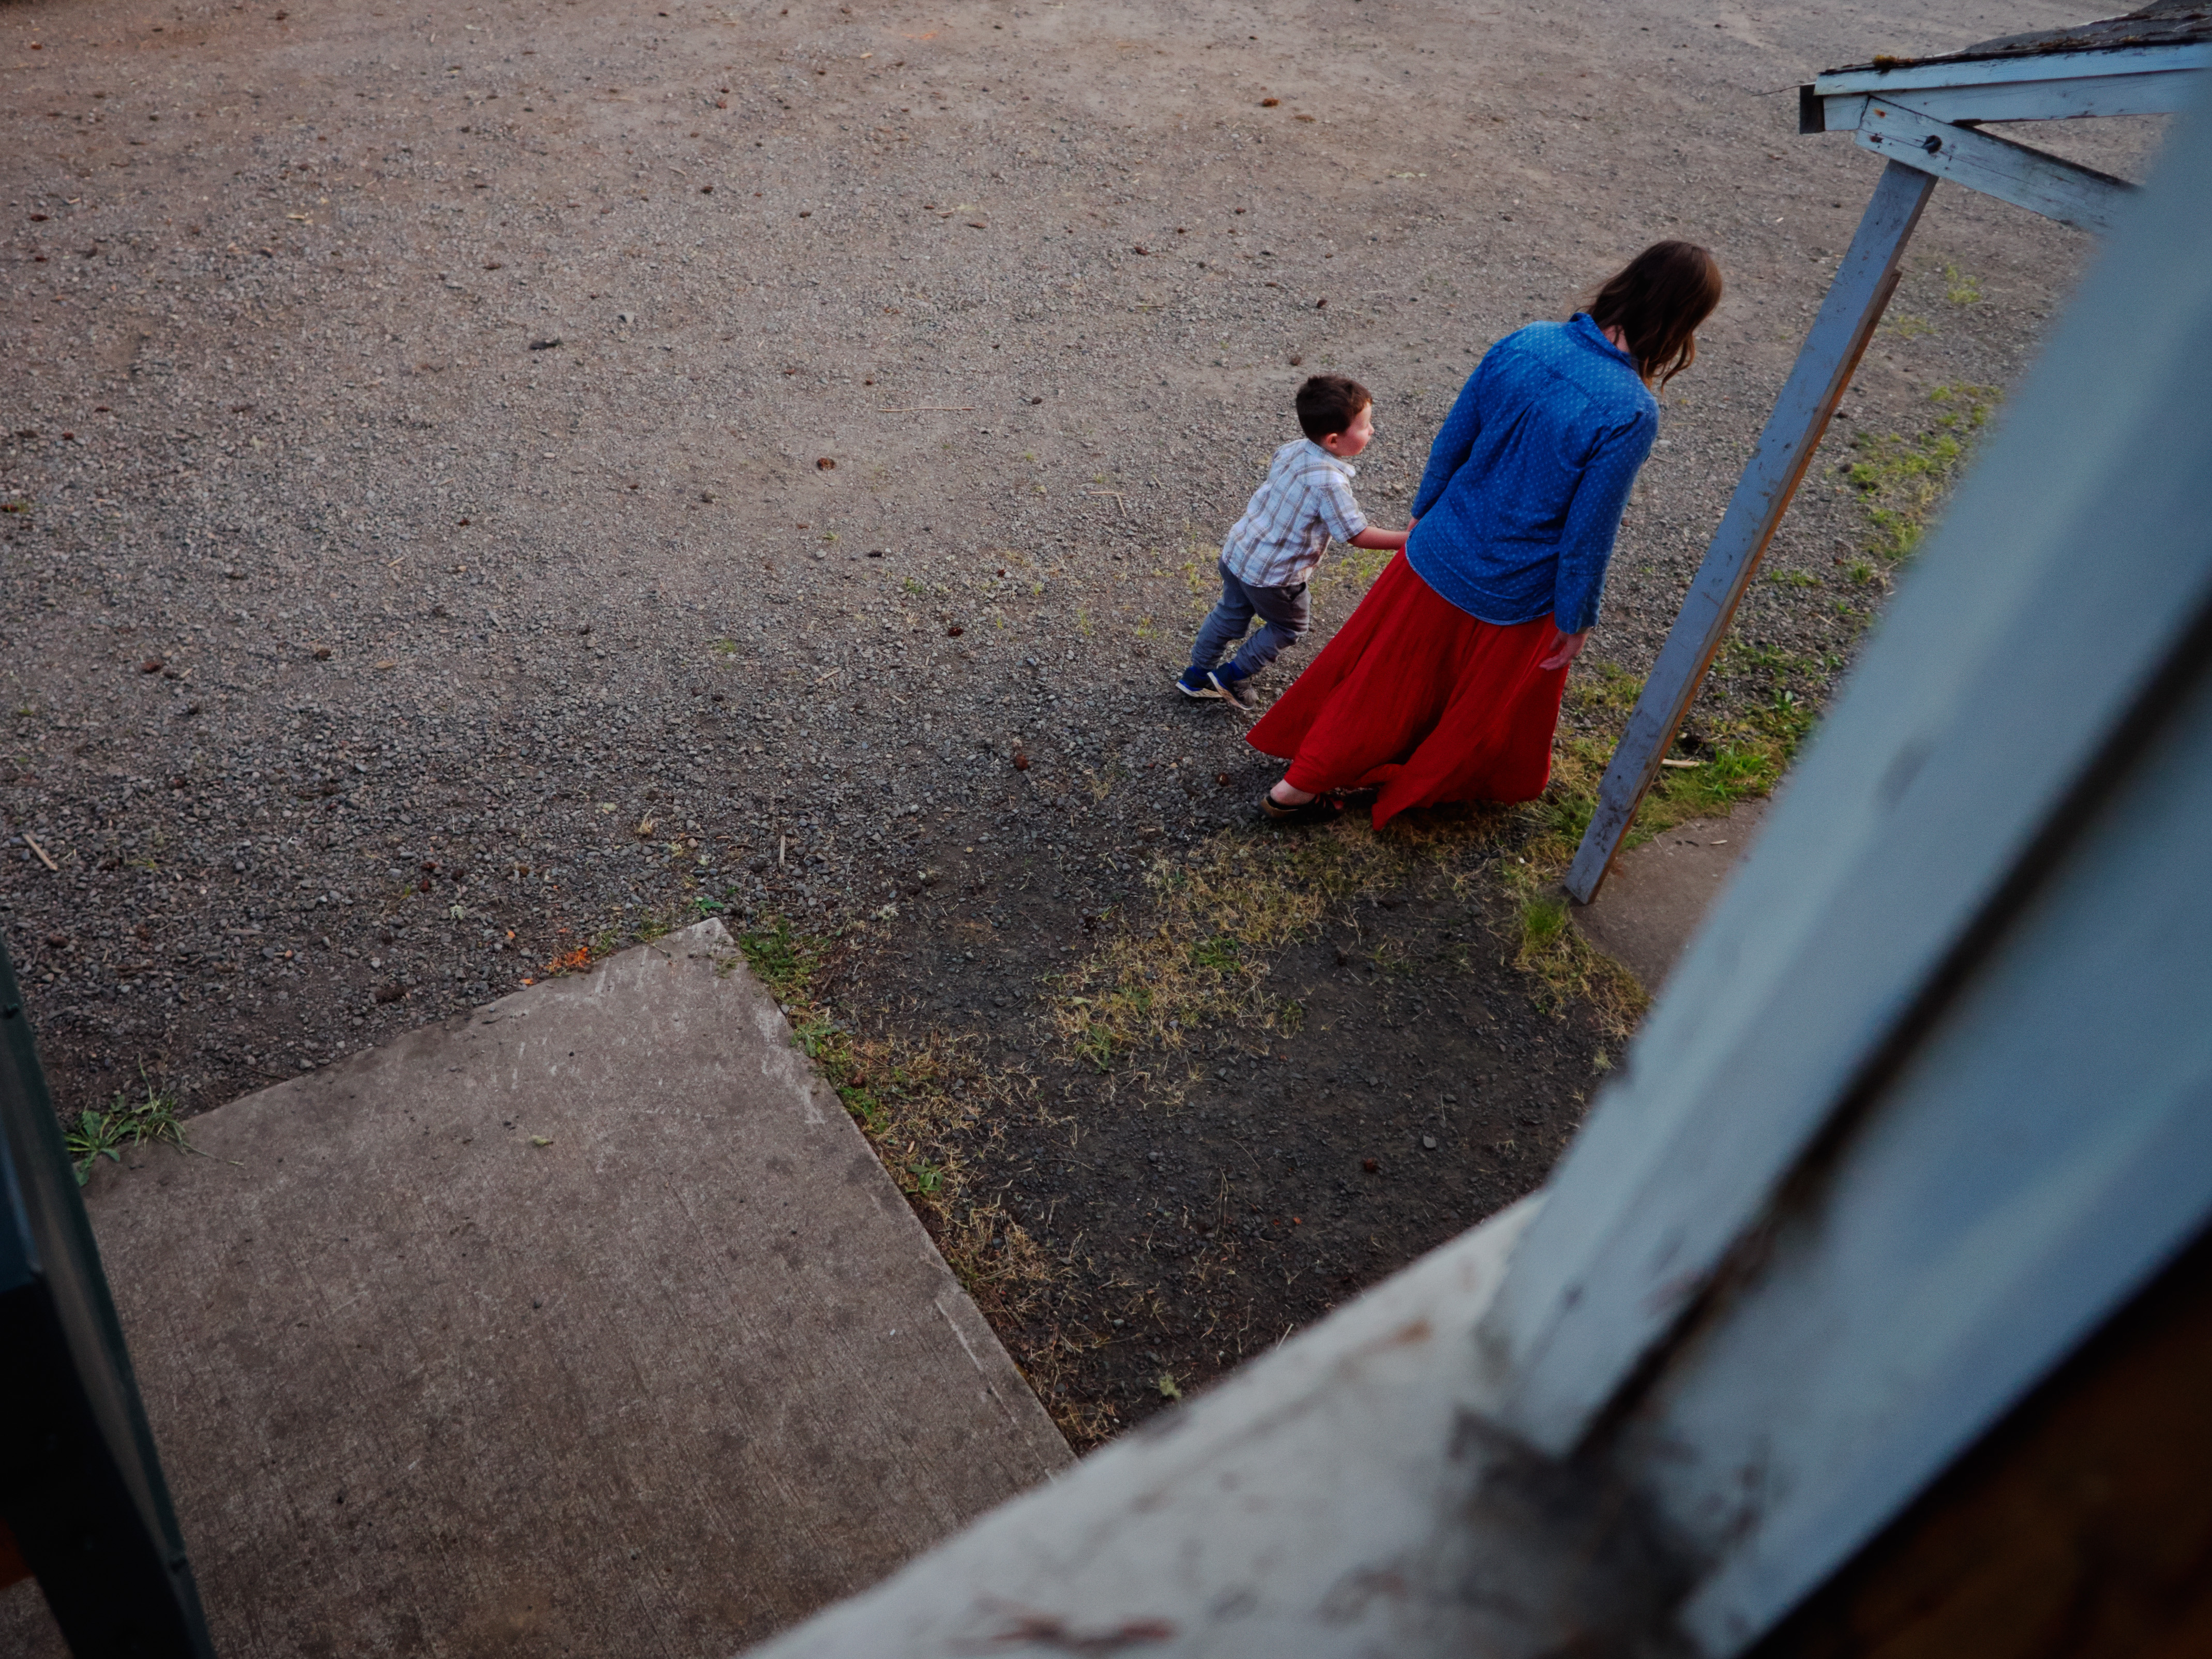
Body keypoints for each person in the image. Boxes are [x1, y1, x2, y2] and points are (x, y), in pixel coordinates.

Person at [1245, 241, 1724, 827]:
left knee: (1386, 680)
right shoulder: (1630, 410)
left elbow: (1454, 437)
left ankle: (1303, 781)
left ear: (1625, 283)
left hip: (1440, 548)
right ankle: (1317, 787)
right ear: (1682, 322)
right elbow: (1589, 530)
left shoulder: (1528, 340)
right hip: (1513, 589)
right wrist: (1576, 616)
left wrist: (1425, 515)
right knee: (1468, 702)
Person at [1176, 374, 1410, 712]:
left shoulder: (1292, 450)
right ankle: (1232, 676)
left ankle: (1196, 675)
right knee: (1288, 626)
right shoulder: (1329, 483)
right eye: (1365, 425)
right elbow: (1355, 533)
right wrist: (1408, 539)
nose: (1371, 431)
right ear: (1333, 439)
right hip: (1275, 576)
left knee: (1228, 613)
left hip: (1240, 552)